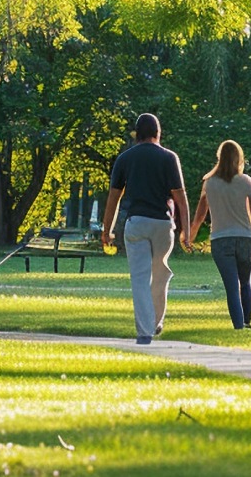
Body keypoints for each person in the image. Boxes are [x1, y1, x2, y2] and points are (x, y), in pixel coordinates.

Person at [101, 114, 190, 345]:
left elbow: (114, 198)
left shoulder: (125, 158)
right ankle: (156, 321)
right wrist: (186, 231)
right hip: (162, 223)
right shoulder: (169, 157)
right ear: (158, 133)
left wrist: (106, 230)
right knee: (160, 273)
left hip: (136, 222)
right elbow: (180, 198)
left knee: (140, 278)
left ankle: (145, 331)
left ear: (136, 133)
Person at [186, 140, 251, 330]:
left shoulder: (210, 184)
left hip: (220, 239)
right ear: (239, 159)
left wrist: (190, 235)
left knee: (231, 286)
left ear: (219, 158)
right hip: (245, 238)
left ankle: (238, 325)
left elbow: (200, 215)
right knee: (245, 283)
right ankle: (247, 322)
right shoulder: (247, 182)